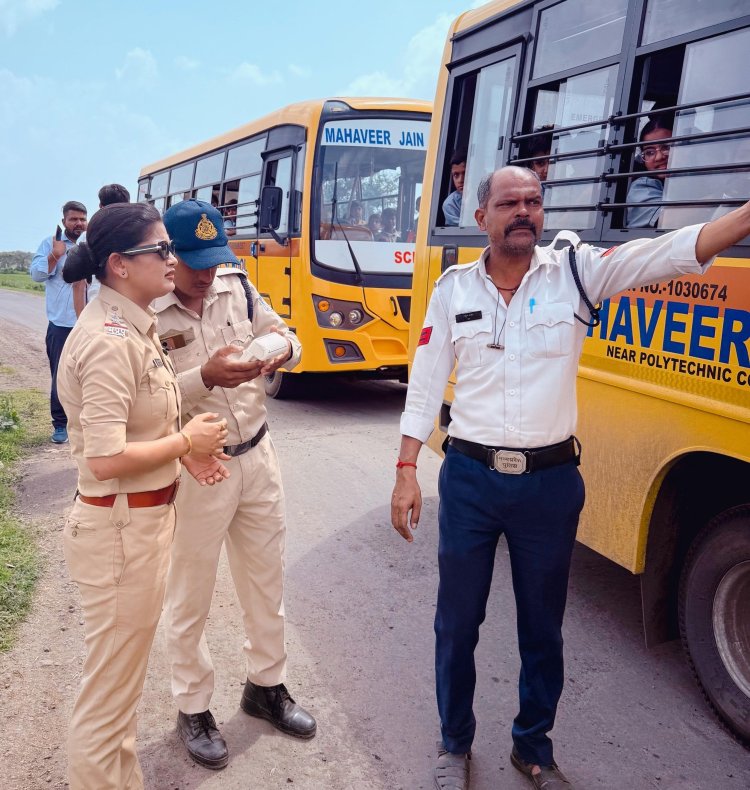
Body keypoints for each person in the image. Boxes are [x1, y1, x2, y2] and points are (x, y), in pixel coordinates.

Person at [390, 165, 750, 790]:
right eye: (510, 203)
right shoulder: (452, 290)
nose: (523, 212)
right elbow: (424, 384)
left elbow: (666, 252)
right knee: (457, 623)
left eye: (533, 201)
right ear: (482, 217)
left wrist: (744, 218)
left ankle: (533, 748)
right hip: (471, 480)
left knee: (542, 629)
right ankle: (454, 744)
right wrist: (405, 468)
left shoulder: (576, 273)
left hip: (548, 485)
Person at [57, 202, 230, 790]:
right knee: (108, 700)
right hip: (119, 534)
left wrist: (184, 453)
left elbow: (140, 417)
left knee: (122, 690)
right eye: (160, 250)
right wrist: (185, 440)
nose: (172, 259)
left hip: (137, 527)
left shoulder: (134, 324)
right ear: (119, 264)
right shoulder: (110, 340)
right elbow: (104, 459)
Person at [154, 199, 315, 771]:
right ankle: (193, 706)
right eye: (194, 263)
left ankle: (266, 686)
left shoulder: (236, 286)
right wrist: (204, 376)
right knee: (190, 591)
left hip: (258, 457)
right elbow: (146, 397)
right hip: (197, 467)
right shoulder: (149, 308)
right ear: (168, 255)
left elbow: (288, 338)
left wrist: (276, 352)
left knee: (265, 580)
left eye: (214, 260)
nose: (206, 275)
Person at [30, 200, 88, 444]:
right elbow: (36, 275)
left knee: (91, 374)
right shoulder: (51, 243)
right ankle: (60, 424)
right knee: (61, 375)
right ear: (64, 221)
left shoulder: (91, 243)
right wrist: (55, 255)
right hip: (62, 324)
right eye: (73, 219)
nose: (78, 223)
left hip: (91, 322)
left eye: (82, 219)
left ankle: (86, 423)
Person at [75, 184, 132, 313]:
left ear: (101, 207)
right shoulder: (140, 234)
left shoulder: (87, 237)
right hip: (130, 307)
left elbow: (78, 284)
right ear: (128, 206)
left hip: (98, 307)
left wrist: (80, 319)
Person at [626, 118, 673, 228]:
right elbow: (669, 219)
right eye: (650, 152)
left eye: (666, 147)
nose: (659, 157)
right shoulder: (643, 186)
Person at [442, 149, 467, 226]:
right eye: (456, 175)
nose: (460, 180)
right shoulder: (451, 204)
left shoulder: (490, 196)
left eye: (465, 173)